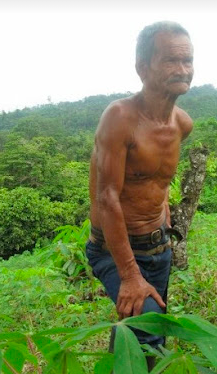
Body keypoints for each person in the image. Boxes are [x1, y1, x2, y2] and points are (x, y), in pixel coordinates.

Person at [86, 21, 194, 367]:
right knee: (144, 334)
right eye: (170, 61)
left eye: (188, 61)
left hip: (158, 249)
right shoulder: (120, 118)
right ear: (142, 68)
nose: (182, 70)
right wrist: (130, 274)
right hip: (115, 249)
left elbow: (156, 184)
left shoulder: (182, 125)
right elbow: (108, 198)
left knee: (149, 331)